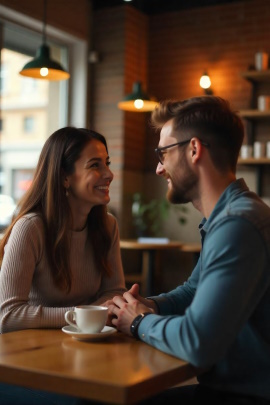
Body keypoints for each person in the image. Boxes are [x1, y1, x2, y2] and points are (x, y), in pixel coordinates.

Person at [109, 96, 270, 405]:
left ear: (194, 149)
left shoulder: (239, 224)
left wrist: (139, 322)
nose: (158, 168)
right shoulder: (229, 216)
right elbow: (195, 290)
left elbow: (198, 342)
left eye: (163, 153)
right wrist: (146, 306)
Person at [0, 126, 126, 334]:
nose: (109, 174)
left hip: (88, 344)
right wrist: (84, 315)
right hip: (33, 351)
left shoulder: (108, 226)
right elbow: (8, 315)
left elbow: (114, 292)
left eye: (107, 163)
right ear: (64, 177)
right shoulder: (30, 228)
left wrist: (90, 314)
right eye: (95, 165)